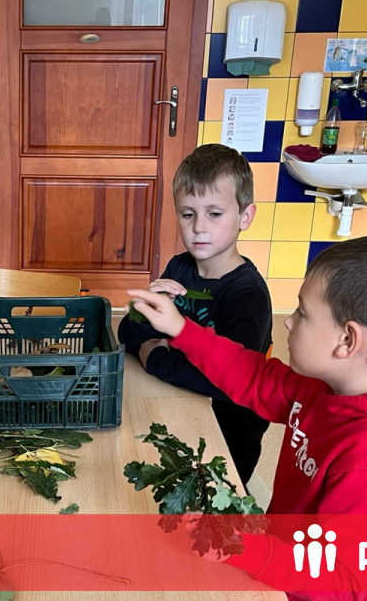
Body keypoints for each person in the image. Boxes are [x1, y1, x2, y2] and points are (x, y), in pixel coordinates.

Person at [128, 233, 367, 598]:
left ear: (347, 341)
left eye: (302, 313)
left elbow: (338, 582)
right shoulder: (332, 386)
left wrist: (239, 546)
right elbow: (256, 378)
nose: (289, 323)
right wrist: (181, 329)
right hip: (288, 560)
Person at [118, 144, 272, 485]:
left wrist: (155, 356)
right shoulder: (179, 267)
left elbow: (229, 383)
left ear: (245, 217)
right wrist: (145, 312)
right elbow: (127, 336)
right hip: (175, 408)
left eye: (214, 214)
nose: (199, 227)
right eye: (188, 214)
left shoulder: (247, 294)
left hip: (229, 436)